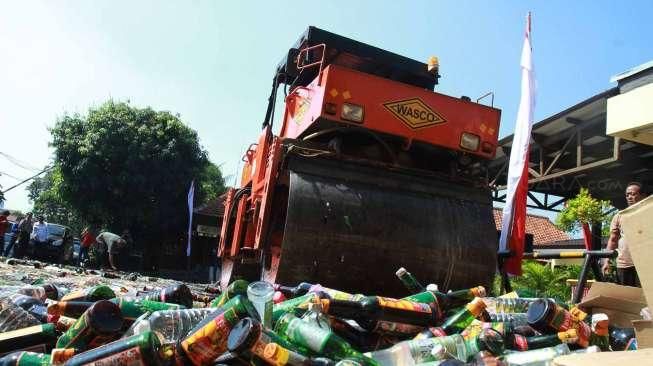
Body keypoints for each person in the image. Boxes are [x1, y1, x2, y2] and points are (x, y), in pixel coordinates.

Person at [603, 182, 646, 287]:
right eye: (627, 195)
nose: (630, 197)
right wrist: (606, 260)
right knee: (626, 297)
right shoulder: (619, 216)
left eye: (633, 194)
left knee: (644, 299)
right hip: (624, 264)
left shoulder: (648, 214)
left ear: (642, 195)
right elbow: (613, 240)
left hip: (645, 264)